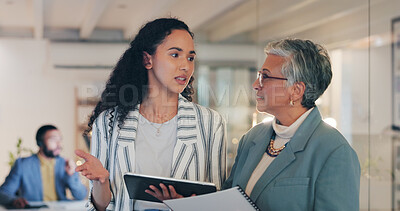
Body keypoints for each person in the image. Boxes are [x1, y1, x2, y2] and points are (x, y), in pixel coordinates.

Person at [75, 18, 226, 211]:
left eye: (190, 58)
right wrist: (102, 181)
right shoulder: (108, 123)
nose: (185, 66)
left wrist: (183, 205)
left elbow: (219, 201)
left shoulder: (210, 123)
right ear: (148, 60)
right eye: (175, 55)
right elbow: (100, 207)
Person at [222, 39, 360, 210]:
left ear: (296, 90)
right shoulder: (252, 138)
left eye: (265, 76)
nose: (256, 85)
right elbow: (227, 199)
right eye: (259, 76)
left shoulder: (334, 151)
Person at [0, 125, 87, 209]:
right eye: (53, 140)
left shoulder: (66, 164)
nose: (59, 144)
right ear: (40, 142)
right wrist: (14, 200)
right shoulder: (22, 164)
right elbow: (3, 193)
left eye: (60, 140)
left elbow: (81, 195)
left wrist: (70, 175)